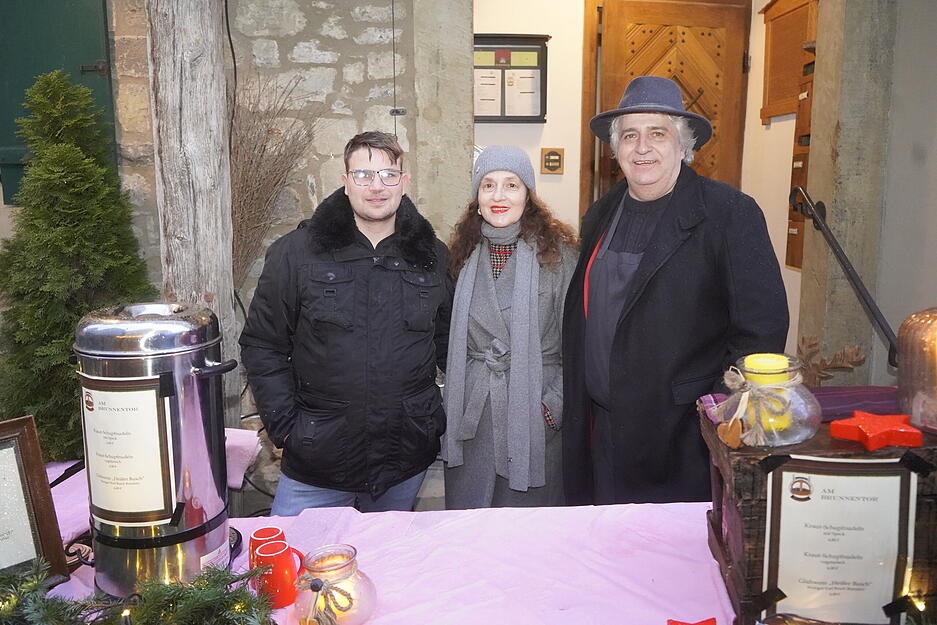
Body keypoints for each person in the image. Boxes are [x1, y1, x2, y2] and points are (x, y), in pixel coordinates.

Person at [562, 76, 789, 505]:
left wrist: (718, 409)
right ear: (616, 149)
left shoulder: (729, 213)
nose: (642, 147)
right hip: (602, 430)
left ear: (683, 145)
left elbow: (762, 327)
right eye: (630, 135)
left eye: (657, 133)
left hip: (681, 436)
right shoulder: (600, 212)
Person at [240, 131, 453, 514]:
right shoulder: (296, 254)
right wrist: (285, 427)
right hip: (318, 465)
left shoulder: (432, 257)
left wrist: (432, 420)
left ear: (404, 182)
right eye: (363, 175)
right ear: (345, 181)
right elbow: (263, 344)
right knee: (295, 568)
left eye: (388, 175)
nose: (376, 187)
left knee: (385, 568)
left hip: (403, 462)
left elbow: (448, 345)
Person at [443, 145, 578, 509]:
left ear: (528, 194)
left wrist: (553, 406)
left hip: (533, 413)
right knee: (472, 534)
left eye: (511, 185)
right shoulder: (462, 254)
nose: (498, 196)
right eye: (488, 185)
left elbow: (579, 346)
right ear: (477, 197)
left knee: (527, 539)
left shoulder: (560, 255)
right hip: (474, 412)